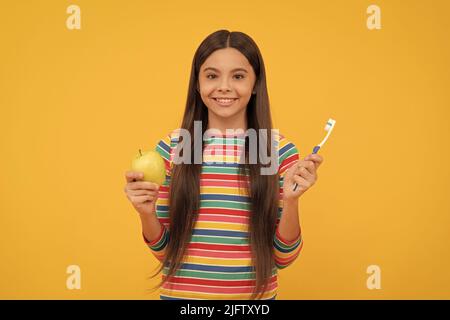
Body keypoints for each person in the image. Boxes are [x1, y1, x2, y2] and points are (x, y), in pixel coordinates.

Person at [124, 29, 323, 300]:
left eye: (238, 76)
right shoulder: (174, 148)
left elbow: (283, 257)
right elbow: (165, 251)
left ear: (255, 84)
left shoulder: (276, 151)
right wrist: (146, 213)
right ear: (197, 83)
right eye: (211, 75)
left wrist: (291, 201)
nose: (224, 86)